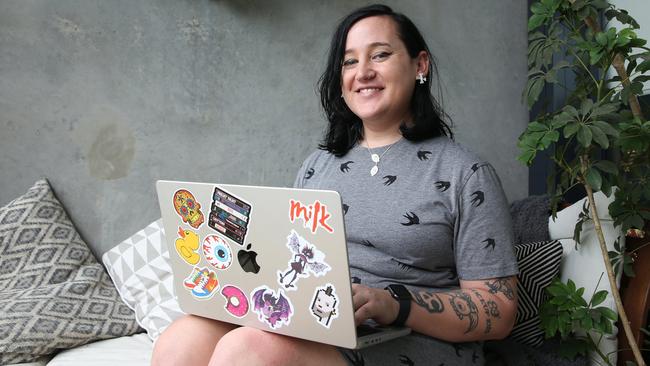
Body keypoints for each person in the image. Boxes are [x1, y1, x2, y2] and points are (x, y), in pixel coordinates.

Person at [152, 4, 518, 366]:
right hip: (318, 321)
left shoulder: (466, 173)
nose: (363, 72)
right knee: (181, 339)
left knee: (248, 350)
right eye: (349, 61)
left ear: (419, 65)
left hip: (412, 336)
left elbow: (499, 310)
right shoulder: (317, 166)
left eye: (380, 55)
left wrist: (395, 303)